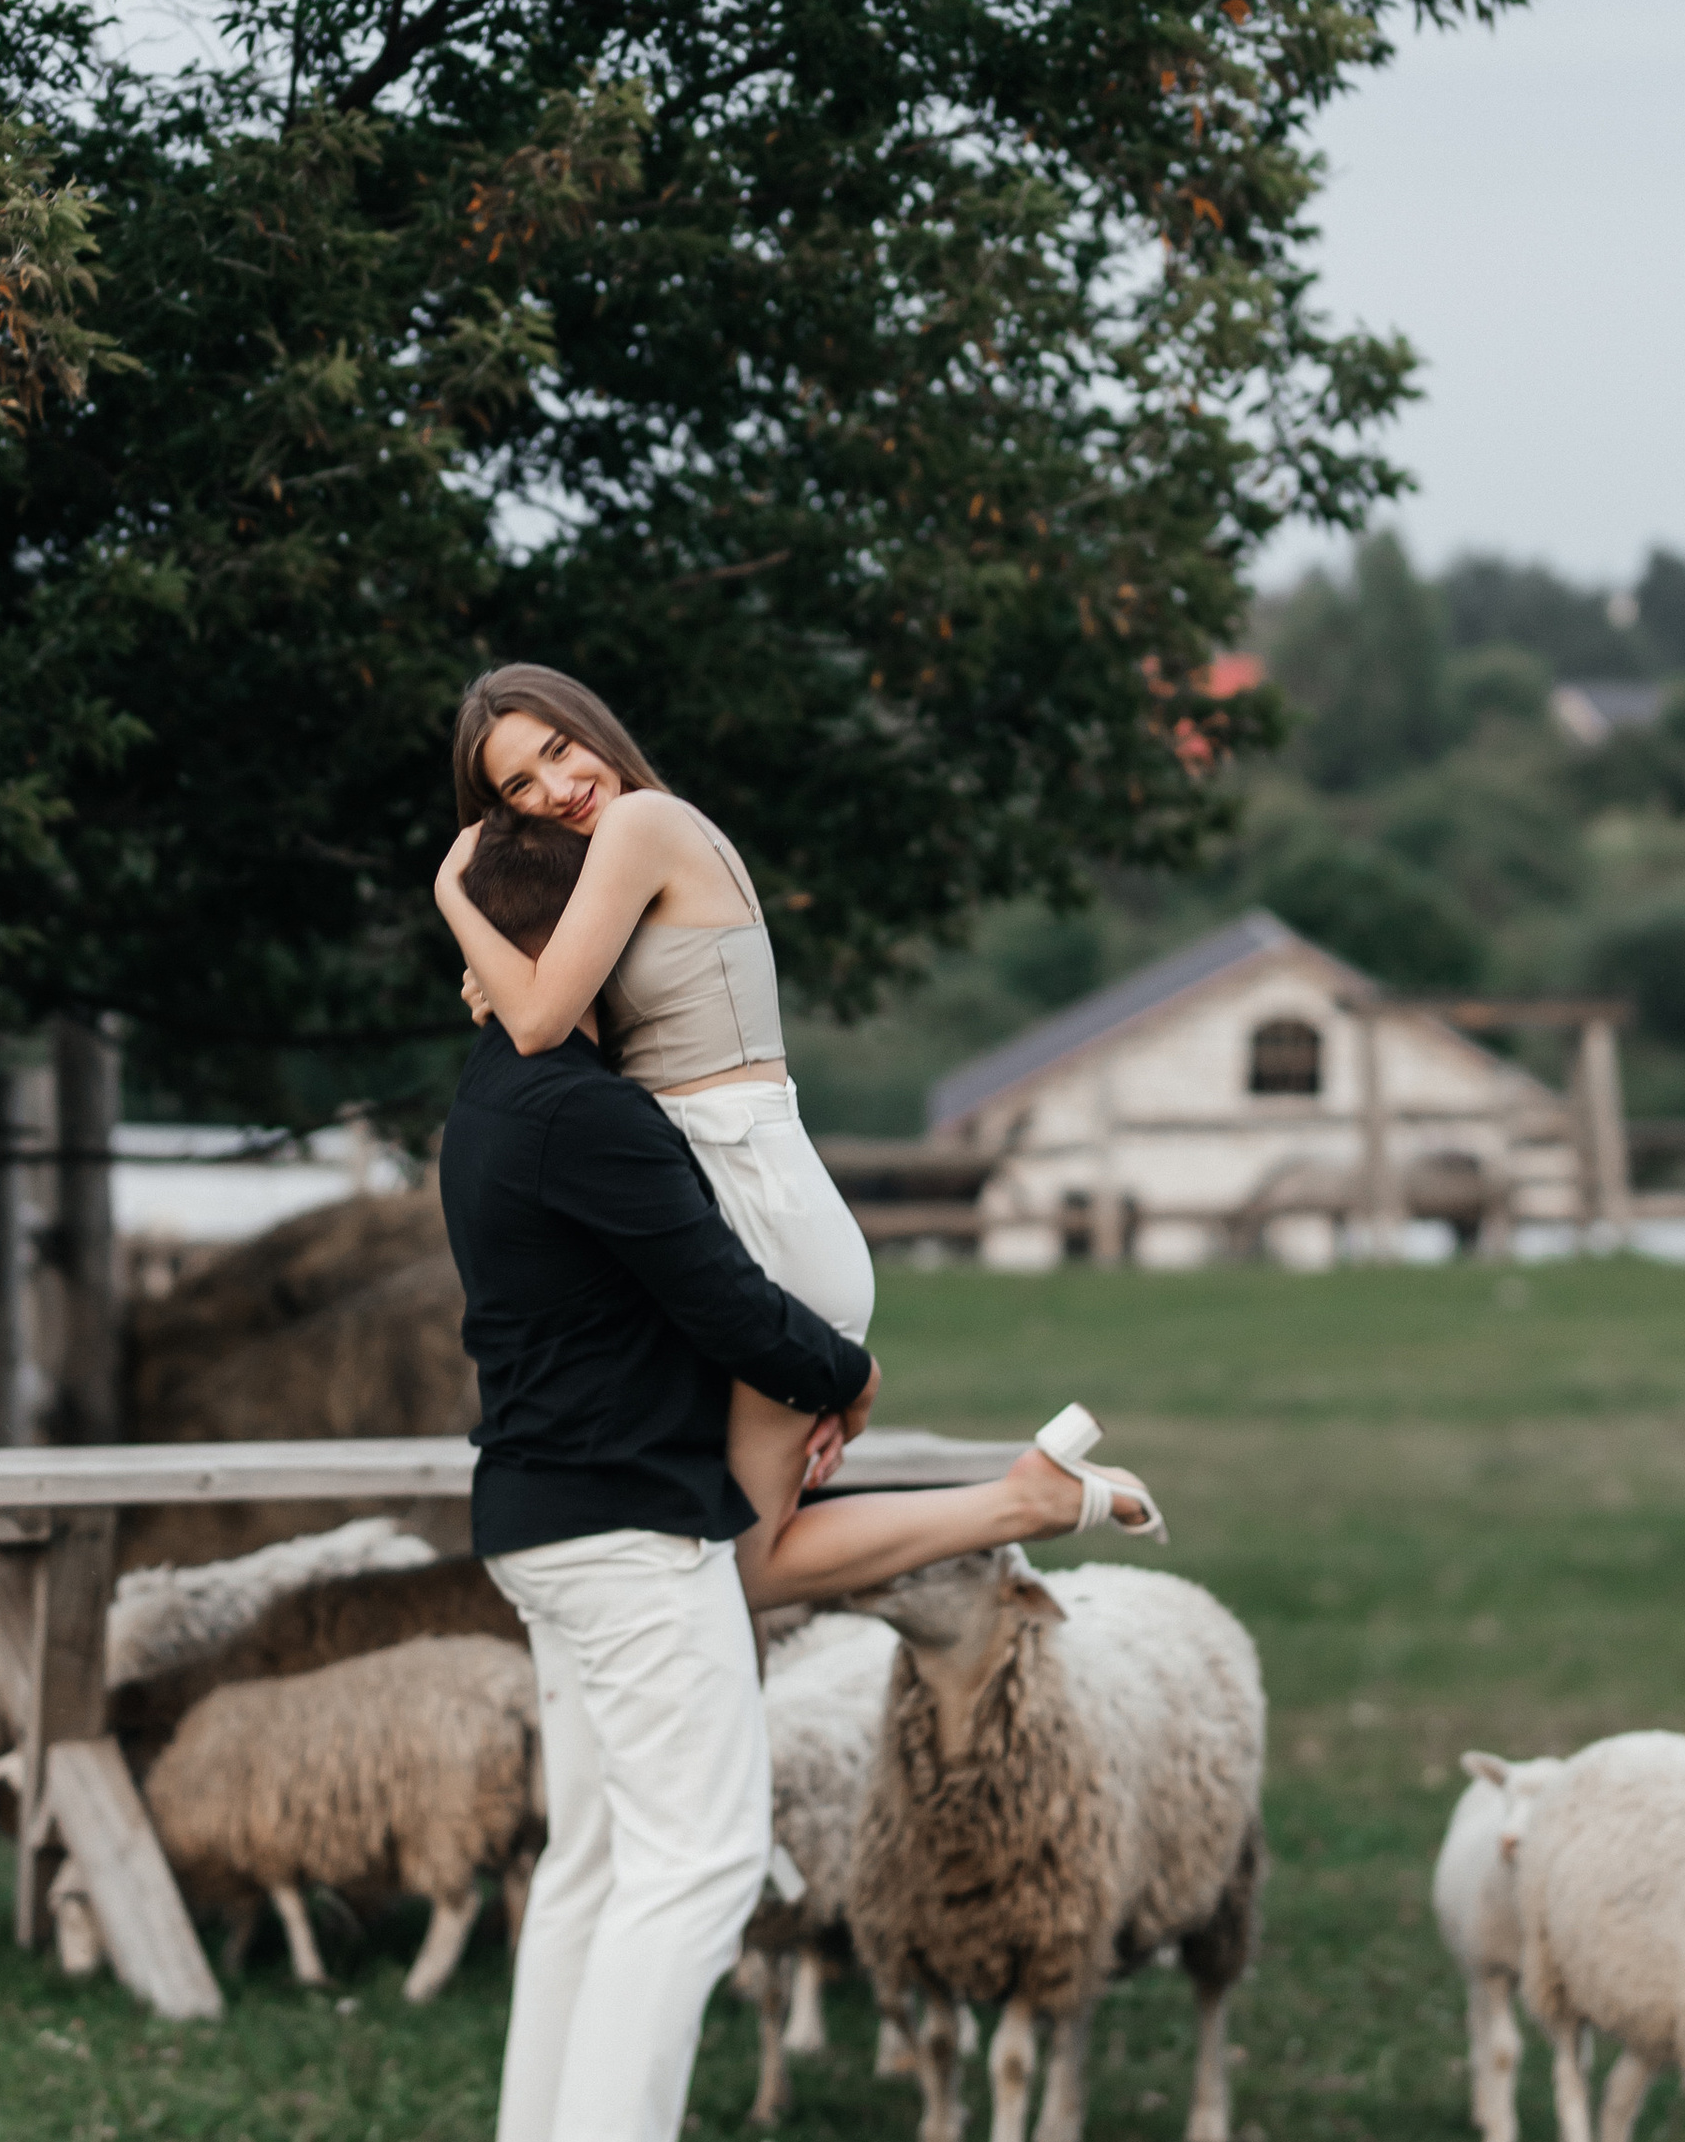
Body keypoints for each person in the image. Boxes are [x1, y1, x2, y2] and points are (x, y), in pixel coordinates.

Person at [438, 815, 1146, 2142]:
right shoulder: (590, 1114)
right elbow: (721, 1301)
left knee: (595, 1855)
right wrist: (835, 1366)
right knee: (699, 1856)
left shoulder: (490, 1101)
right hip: (626, 1530)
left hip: (539, 1515)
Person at [434, 662, 1161, 1605]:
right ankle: (1011, 1507)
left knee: (743, 1566)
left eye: (560, 751)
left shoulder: (641, 823)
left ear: (594, 730)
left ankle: (1026, 1503)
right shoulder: (616, 852)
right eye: (518, 788)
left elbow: (533, 1024)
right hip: (740, 1195)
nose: (556, 791)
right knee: (736, 1550)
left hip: (756, 1206)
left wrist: (456, 900)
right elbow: (540, 1007)